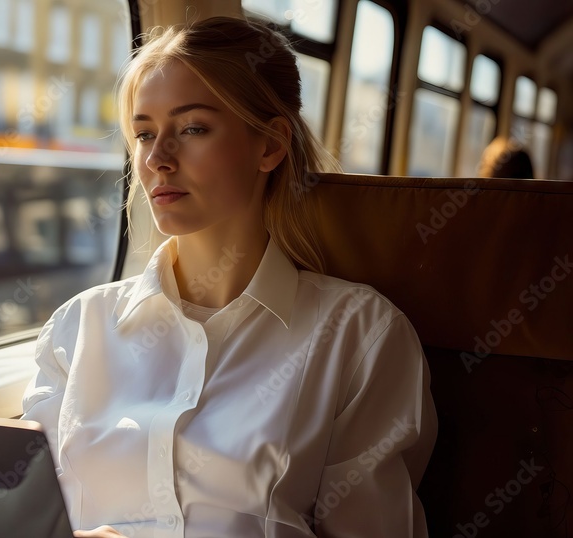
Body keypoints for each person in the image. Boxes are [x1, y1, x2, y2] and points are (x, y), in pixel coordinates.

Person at [22, 16, 437, 538]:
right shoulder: (77, 329)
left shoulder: (358, 335)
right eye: (145, 133)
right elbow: (24, 515)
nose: (156, 159)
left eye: (192, 128)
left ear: (269, 145)